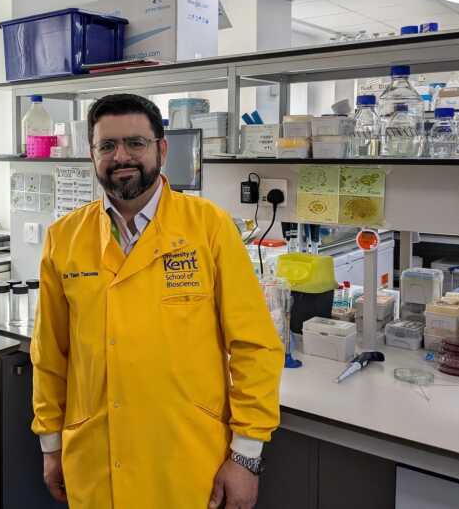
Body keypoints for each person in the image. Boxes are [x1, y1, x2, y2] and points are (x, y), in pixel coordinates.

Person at [31, 93, 284, 509]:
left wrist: (246, 456)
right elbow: (50, 355)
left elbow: (254, 347)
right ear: (92, 154)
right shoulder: (65, 238)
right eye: (107, 146)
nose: (121, 156)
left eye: (136, 143)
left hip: (186, 460)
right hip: (95, 458)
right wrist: (51, 444)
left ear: (161, 149)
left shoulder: (209, 227)